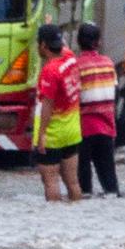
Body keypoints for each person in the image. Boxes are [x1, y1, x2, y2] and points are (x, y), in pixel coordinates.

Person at [33, 23, 82, 201]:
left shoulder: (50, 71)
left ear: (43, 46)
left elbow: (47, 104)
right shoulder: (71, 58)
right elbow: (64, 45)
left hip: (53, 134)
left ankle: (54, 224)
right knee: (73, 183)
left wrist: (42, 134)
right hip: (72, 132)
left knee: (51, 182)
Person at [75, 21, 119, 196]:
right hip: (107, 128)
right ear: (98, 42)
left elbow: (75, 96)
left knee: (84, 185)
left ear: (78, 41)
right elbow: (113, 91)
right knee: (110, 182)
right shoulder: (108, 64)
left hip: (84, 129)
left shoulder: (77, 66)